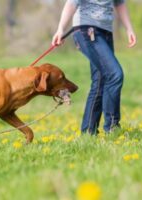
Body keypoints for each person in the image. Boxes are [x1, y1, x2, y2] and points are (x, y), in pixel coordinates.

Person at [52, 0, 136, 134]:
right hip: (87, 30)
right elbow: (72, 3)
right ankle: (112, 128)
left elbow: (119, 3)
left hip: (106, 32)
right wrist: (60, 28)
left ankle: (88, 132)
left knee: (100, 81)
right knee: (114, 75)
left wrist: (129, 28)